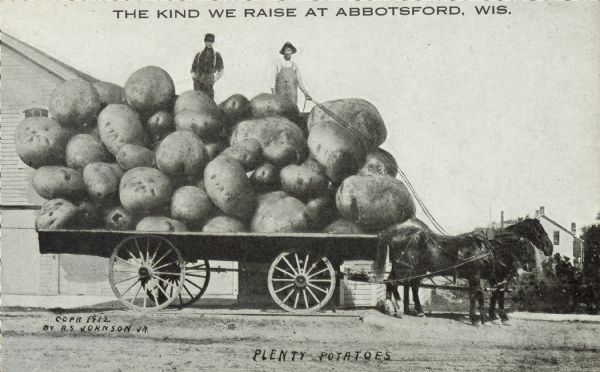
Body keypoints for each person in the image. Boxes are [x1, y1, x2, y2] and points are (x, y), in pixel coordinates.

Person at [271, 42, 311, 106]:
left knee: (292, 111)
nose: (287, 52)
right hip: (280, 94)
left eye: (289, 50)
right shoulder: (278, 64)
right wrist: (273, 92)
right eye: (286, 50)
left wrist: (305, 92)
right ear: (283, 52)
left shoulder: (294, 66)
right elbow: (272, 78)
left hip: (292, 94)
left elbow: (299, 81)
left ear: (292, 52)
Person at [191, 33, 224, 99]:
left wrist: (214, 78)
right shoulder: (199, 54)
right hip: (198, 81)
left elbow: (221, 69)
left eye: (211, 41)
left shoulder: (216, 55)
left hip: (209, 81)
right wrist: (194, 76)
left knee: (209, 100)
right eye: (208, 41)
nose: (209, 43)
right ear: (205, 41)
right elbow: (193, 67)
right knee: (197, 100)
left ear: (213, 42)